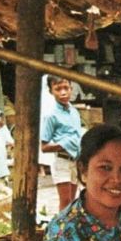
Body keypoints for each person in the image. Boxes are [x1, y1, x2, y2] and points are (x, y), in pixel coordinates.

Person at [40, 76, 85, 210]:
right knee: (65, 202)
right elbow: (44, 147)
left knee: (75, 200)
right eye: (58, 89)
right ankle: (63, 230)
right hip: (62, 162)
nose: (63, 93)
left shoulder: (74, 112)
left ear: (71, 88)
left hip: (75, 161)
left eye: (66, 88)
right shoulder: (51, 116)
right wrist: (65, 144)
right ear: (50, 91)